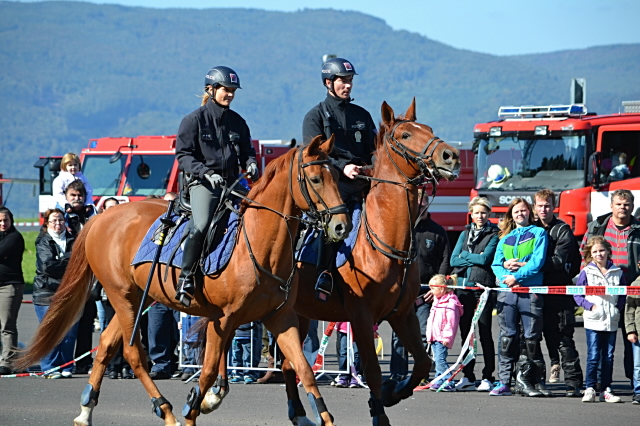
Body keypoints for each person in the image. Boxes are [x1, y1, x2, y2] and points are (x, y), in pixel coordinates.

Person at [174, 65, 258, 307]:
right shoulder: (193, 120)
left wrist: (250, 164)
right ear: (210, 89)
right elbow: (184, 156)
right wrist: (206, 173)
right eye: (225, 89)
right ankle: (186, 277)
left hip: (233, 183)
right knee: (200, 226)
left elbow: (248, 152)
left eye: (233, 90)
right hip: (203, 184)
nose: (229, 94)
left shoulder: (238, 122)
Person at [302, 57, 377, 299]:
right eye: (343, 81)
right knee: (333, 223)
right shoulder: (314, 117)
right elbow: (313, 157)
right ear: (328, 82)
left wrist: (375, 166)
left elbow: (374, 149)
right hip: (333, 186)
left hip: (365, 182)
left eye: (350, 80)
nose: (348, 85)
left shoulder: (362, 115)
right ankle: (325, 274)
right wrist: (343, 167)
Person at [581, 189, 639, 389]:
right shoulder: (598, 226)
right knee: (602, 344)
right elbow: (584, 253)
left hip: (632, 293)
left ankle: (635, 381)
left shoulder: (638, 229)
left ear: (632, 206)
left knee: (633, 338)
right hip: (602, 296)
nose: (623, 207)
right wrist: (584, 281)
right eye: (619, 204)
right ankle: (599, 382)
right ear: (611, 206)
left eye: (627, 204)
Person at [490, 198, 548, 397]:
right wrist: (505, 274)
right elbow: (495, 264)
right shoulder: (505, 238)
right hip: (507, 293)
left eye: (523, 210)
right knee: (507, 338)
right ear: (511, 215)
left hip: (531, 291)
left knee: (531, 339)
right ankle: (504, 382)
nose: (520, 214)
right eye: (516, 211)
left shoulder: (539, 233)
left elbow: (537, 262)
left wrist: (517, 276)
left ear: (529, 213)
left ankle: (534, 381)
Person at [389, 200, 451, 382]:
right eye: (417, 203)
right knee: (398, 334)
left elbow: (445, 260)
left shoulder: (437, 231)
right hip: (401, 292)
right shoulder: (401, 228)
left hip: (426, 293)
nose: (420, 207)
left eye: (423, 203)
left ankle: (421, 374)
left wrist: (437, 287)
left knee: (423, 334)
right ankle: (398, 374)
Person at [533, 189, 584, 397]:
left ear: (553, 207)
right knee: (532, 339)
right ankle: (538, 381)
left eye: (547, 206)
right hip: (535, 292)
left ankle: (573, 382)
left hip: (559, 292)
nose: (543, 209)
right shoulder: (531, 228)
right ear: (535, 207)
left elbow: (558, 262)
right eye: (540, 206)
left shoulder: (562, 230)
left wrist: (530, 265)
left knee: (562, 338)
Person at [450, 196, 499, 392]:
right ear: (471, 214)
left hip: (482, 289)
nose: (480, 216)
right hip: (464, 288)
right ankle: (468, 375)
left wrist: (466, 257)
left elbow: (486, 259)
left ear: (489, 214)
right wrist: (473, 259)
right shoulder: (465, 232)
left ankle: (488, 376)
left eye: (484, 212)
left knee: (485, 333)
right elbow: (454, 260)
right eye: (477, 212)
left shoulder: (494, 234)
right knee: (467, 334)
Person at [574, 236, 624, 403]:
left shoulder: (617, 272)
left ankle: (605, 389)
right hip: (593, 319)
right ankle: (589, 388)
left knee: (608, 356)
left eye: (601, 250)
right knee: (594, 355)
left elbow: (623, 293)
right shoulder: (586, 272)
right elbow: (577, 294)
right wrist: (589, 306)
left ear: (608, 251)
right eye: (595, 252)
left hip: (611, 319)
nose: (599, 254)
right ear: (590, 254)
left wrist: (618, 308)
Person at [33, 208, 77, 378]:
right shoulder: (43, 242)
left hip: (68, 292)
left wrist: (63, 261)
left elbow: (77, 262)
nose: (58, 224)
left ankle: (66, 365)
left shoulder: (73, 240)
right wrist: (68, 262)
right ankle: (49, 367)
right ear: (47, 223)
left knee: (69, 331)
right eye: (53, 221)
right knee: (50, 331)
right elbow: (47, 266)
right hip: (46, 292)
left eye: (60, 220)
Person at [426, 274, 464, 392]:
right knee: (437, 359)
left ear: (442, 288)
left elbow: (451, 323)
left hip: (442, 338)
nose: (430, 291)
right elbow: (431, 319)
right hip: (434, 336)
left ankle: (449, 380)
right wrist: (429, 334)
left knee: (440, 360)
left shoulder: (451, 303)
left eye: (433, 288)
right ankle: (439, 379)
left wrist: (447, 337)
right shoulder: (436, 301)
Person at [0, 207, 25, 375]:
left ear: (11, 220)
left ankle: (7, 362)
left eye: (5, 220)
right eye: (0, 221)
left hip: (9, 285)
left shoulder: (15, 237)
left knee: (7, 325)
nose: (3, 223)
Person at [334, 322, 363, 388]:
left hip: (358, 328)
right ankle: (343, 376)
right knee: (343, 352)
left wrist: (374, 328)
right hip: (343, 327)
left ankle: (356, 376)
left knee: (356, 353)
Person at [625, 278, 640, 404]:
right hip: (639, 333)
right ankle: (638, 392)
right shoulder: (635, 284)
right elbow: (629, 310)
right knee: (638, 366)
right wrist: (631, 330)